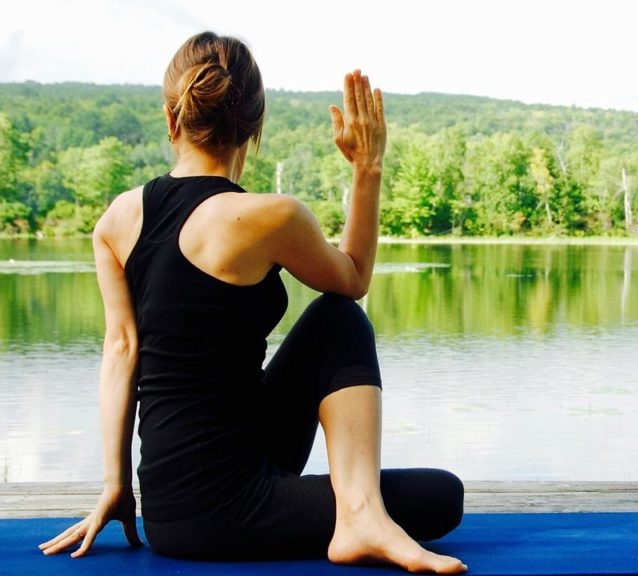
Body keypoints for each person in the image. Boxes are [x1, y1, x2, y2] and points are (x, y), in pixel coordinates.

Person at [38, 31, 467, 574]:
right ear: (255, 127)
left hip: (169, 513)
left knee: (334, 321)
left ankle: (360, 513)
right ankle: (360, 514)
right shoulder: (271, 217)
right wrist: (368, 168)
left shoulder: (116, 221)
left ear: (172, 120)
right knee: (438, 492)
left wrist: (117, 486)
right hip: (226, 512)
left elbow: (122, 352)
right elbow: (353, 278)